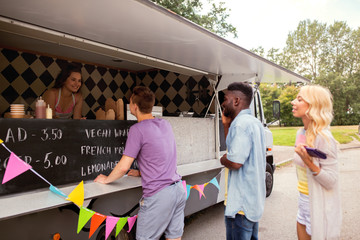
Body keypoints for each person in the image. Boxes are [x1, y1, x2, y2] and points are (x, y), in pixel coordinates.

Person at [94, 86, 186, 240]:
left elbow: (124, 166)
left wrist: (106, 179)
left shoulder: (137, 129)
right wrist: (141, 172)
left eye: (130, 102)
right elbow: (162, 157)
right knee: (174, 238)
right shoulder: (165, 124)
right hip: (178, 190)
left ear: (134, 107)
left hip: (159, 196)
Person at [291, 85, 341, 240]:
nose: (293, 102)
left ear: (313, 106)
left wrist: (309, 162)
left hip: (318, 204)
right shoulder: (301, 132)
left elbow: (331, 181)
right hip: (303, 199)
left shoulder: (323, 138)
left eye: (299, 99)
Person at [220, 82, 266, 240]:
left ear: (236, 101)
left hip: (240, 207)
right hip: (252, 204)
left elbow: (234, 162)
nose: (223, 103)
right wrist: (226, 126)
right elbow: (235, 149)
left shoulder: (240, 125)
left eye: (226, 98)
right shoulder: (255, 123)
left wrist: (222, 160)